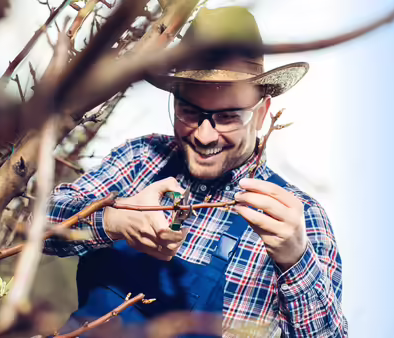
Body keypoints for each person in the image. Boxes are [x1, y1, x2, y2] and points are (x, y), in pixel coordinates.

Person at [45, 6, 347, 337]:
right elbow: (33, 224)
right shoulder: (142, 159)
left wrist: (296, 261)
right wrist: (112, 220)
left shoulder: (302, 221)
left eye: (230, 116)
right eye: (190, 111)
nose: (204, 136)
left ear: (262, 115)